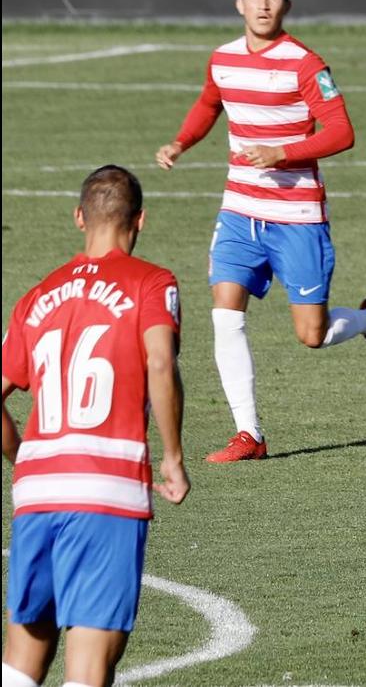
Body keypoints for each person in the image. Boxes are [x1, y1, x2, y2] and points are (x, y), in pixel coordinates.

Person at [154, 0, 366, 462]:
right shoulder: (222, 58)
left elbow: (341, 130)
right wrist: (181, 142)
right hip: (238, 212)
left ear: (286, 4)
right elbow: (208, 104)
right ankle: (250, 434)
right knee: (225, 316)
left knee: (312, 336)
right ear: (238, 3)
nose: (263, 5)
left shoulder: (306, 64)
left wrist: (283, 152)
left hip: (297, 218)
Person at [2, 165, 191, 687]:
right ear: (141, 221)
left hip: (38, 491)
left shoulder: (37, 296)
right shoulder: (152, 282)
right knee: (88, 670)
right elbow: (159, 362)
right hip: (105, 490)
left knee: (19, 663)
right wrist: (172, 458)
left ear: (79, 218)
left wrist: (22, 456)